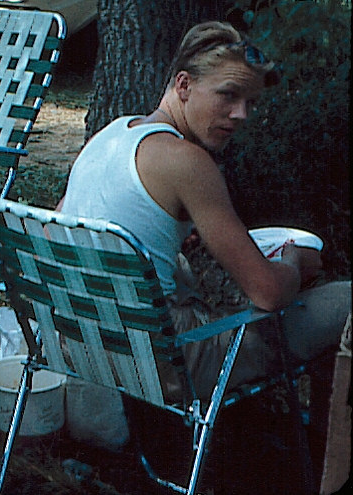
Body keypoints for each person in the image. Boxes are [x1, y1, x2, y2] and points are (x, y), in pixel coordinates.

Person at [59, 21, 350, 403]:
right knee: (345, 299)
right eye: (228, 95)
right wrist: (293, 262)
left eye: (251, 102)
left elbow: (63, 220)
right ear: (183, 85)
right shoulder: (188, 162)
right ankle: (330, 445)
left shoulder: (111, 133)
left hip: (81, 342)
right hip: (160, 363)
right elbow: (268, 293)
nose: (241, 114)